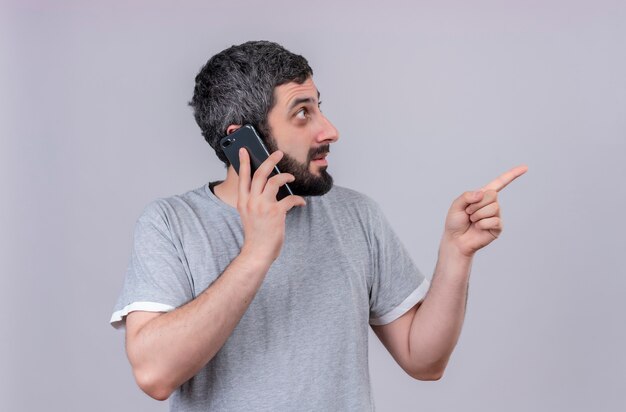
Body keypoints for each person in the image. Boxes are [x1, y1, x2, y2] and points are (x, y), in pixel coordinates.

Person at [110, 40, 527, 411]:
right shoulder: (171, 223)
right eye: (302, 113)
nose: (330, 131)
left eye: (319, 107)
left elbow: (425, 360)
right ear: (241, 140)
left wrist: (457, 253)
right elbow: (155, 374)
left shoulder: (357, 215)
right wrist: (256, 253)